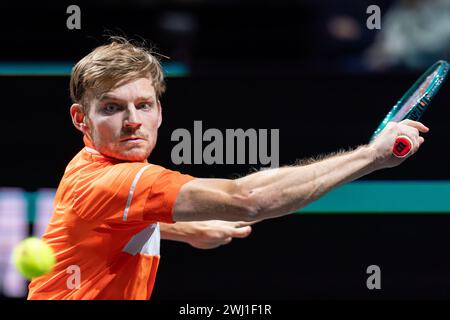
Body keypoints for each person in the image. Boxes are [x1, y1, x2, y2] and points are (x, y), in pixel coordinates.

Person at [27, 37, 429, 300]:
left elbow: (108, 224)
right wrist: (371, 156)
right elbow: (249, 199)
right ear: (81, 119)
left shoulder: (86, 167)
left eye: (143, 105)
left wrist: (181, 230)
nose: (132, 120)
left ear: (159, 111)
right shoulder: (116, 180)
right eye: (113, 107)